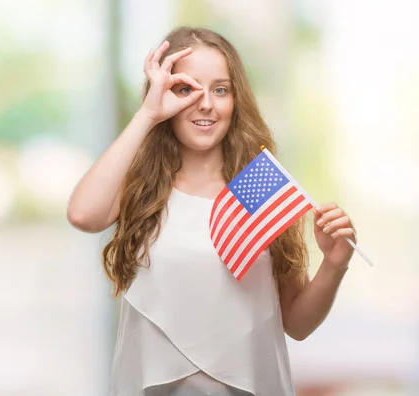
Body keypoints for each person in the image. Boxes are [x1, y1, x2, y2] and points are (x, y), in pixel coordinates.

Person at [67, 26, 356, 396]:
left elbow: (297, 323)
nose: (206, 103)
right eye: (186, 89)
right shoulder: (142, 188)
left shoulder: (261, 188)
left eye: (220, 90)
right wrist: (148, 114)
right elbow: (83, 215)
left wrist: (334, 264)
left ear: (236, 101)